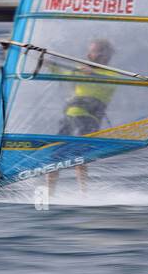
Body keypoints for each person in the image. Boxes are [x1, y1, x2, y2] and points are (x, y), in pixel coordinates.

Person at [47, 38, 115, 194]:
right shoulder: (80, 69)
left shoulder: (112, 74)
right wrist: (48, 63)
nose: (89, 54)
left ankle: (83, 193)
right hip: (70, 115)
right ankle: (50, 193)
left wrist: (94, 74)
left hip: (90, 117)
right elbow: (62, 72)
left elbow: (109, 84)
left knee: (80, 154)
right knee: (55, 154)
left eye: (95, 51)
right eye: (90, 50)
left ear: (106, 54)